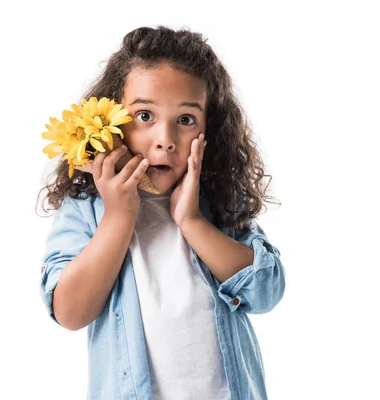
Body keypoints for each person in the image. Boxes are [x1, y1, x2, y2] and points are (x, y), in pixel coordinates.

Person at [37, 25, 285, 400]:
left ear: (209, 129)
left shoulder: (218, 202)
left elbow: (266, 292)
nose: (165, 138)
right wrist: (119, 216)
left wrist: (192, 221)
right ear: (111, 122)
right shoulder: (88, 208)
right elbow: (70, 313)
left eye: (185, 120)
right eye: (144, 116)